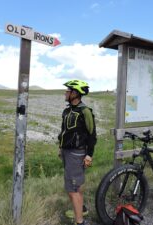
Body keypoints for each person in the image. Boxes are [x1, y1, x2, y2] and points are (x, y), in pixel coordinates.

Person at [58, 80, 97, 225]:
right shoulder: (67, 111)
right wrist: (60, 147)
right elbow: (64, 131)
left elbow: (92, 134)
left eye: (68, 91)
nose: (65, 93)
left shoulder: (85, 111)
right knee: (77, 185)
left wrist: (89, 154)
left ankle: (79, 221)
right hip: (67, 152)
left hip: (77, 153)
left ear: (75, 94)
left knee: (72, 188)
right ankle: (81, 209)